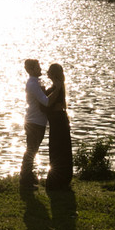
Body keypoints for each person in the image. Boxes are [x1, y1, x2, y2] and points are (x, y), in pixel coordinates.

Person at [21, 58, 49, 191]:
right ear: (31, 70)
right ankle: (25, 179)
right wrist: (58, 89)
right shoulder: (33, 84)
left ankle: (28, 176)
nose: (40, 69)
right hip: (34, 122)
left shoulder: (36, 82)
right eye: (38, 67)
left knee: (33, 149)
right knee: (31, 150)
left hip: (38, 121)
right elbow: (45, 102)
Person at [44, 62, 73, 191]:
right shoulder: (58, 87)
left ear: (53, 73)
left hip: (58, 123)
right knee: (61, 149)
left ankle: (57, 180)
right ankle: (62, 178)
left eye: (49, 70)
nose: (46, 72)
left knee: (57, 149)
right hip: (59, 121)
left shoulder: (57, 88)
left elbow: (47, 104)